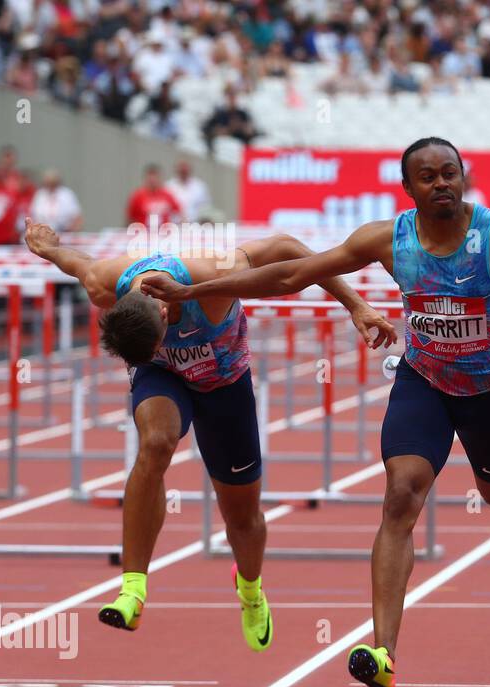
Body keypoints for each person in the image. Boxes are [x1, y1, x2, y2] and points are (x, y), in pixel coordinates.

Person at [141, 137, 490, 687]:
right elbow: (288, 276)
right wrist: (191, 291)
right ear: (409, 189)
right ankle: (384, 651)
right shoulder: (388, 241)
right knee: (401, 495)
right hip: (422, 382)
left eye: (450, 173)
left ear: (464, 178)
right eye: (428, 176)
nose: (441, 182)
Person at [22, 217, 397, 650]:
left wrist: (355, 305)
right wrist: (46, 245)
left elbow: (287, 248)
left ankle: (251, 589)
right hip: (163, 378)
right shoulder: (106, 283)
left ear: (165, 312)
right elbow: (75, 260)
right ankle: (133, 588)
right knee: (155, 443)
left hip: (224, 384)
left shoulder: (214, 275)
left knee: (242, 515)